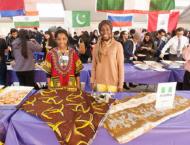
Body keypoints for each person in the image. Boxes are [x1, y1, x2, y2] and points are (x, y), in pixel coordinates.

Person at [91, 20, 124, 93]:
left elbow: (120, 66)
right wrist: (92, 80)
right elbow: (94, 66)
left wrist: (120, 84)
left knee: (112, 103)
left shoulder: (117, 45)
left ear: (111, 31)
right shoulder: (96, 47)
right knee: (100, 103)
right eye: (102, 30)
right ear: (99, 32)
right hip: (100, 83)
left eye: (107, 29)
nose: (105, 32)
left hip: (113, 83)